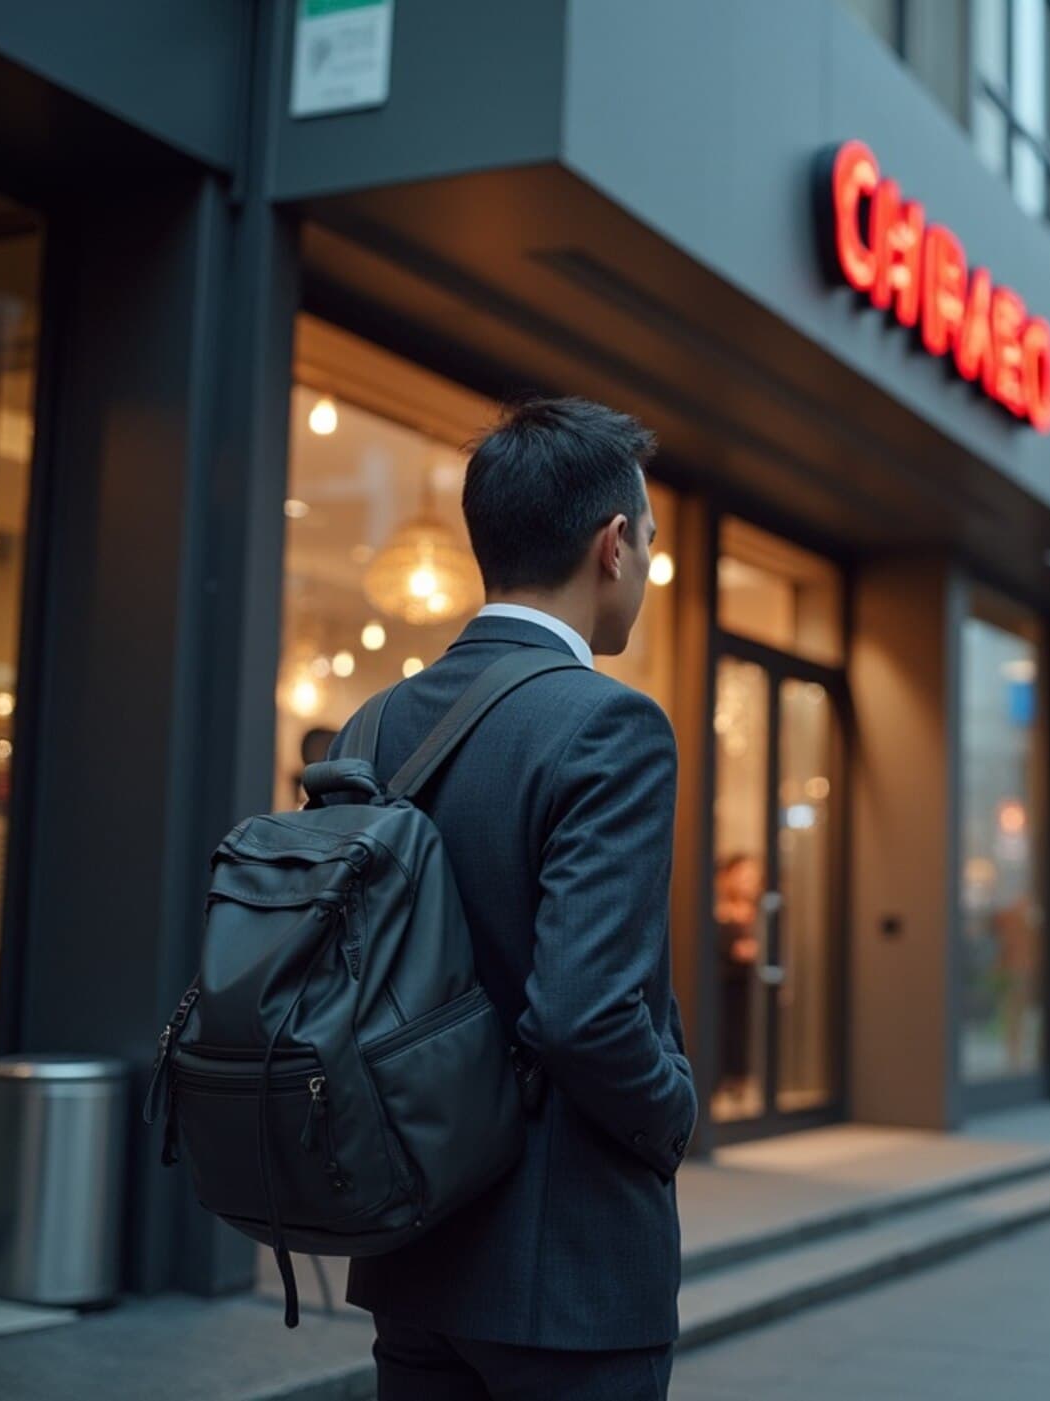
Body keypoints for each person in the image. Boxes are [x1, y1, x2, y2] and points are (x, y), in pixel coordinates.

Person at [334, 398, 694, 1398]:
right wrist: (672, 1111)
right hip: (567, 1273)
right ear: (613, 544)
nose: (648, 570)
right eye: (651, 543)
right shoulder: (608, 725)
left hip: (410, 1245)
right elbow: (579, 1014)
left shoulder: (368, 725)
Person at [714, 853, 763, 1116]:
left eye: (753, 876)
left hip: (753, 987)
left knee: (747, 1034)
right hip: (724, 986)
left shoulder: (765, 911)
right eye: (743, 875)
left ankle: (742, 1085)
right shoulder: (717, 910)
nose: (749, 882)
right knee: (725, 1034)